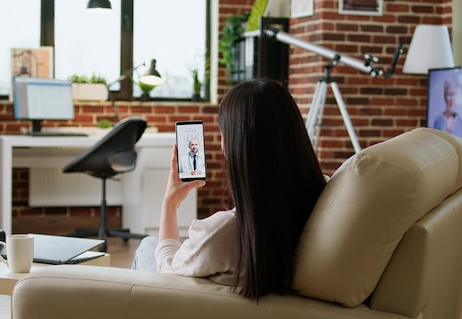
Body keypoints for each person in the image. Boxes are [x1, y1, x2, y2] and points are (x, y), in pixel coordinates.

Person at [132, 78, 327, 301]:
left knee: (148, 245)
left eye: (224, 131)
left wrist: (170, 204)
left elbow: (167, 272)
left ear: (235, 144)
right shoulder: (324, 196)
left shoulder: (225, 232)